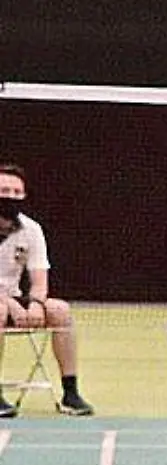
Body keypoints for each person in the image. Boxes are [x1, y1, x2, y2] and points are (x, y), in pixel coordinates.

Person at [0, 164, 93, 417]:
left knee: (60, 310)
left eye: (16, 192)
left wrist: (36, 304)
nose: (10, 196)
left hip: (14, 299)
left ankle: (70, 392)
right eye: (4, 190)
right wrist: (10, 304)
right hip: (3, 304)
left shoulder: (31, 229)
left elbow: (40, 281)